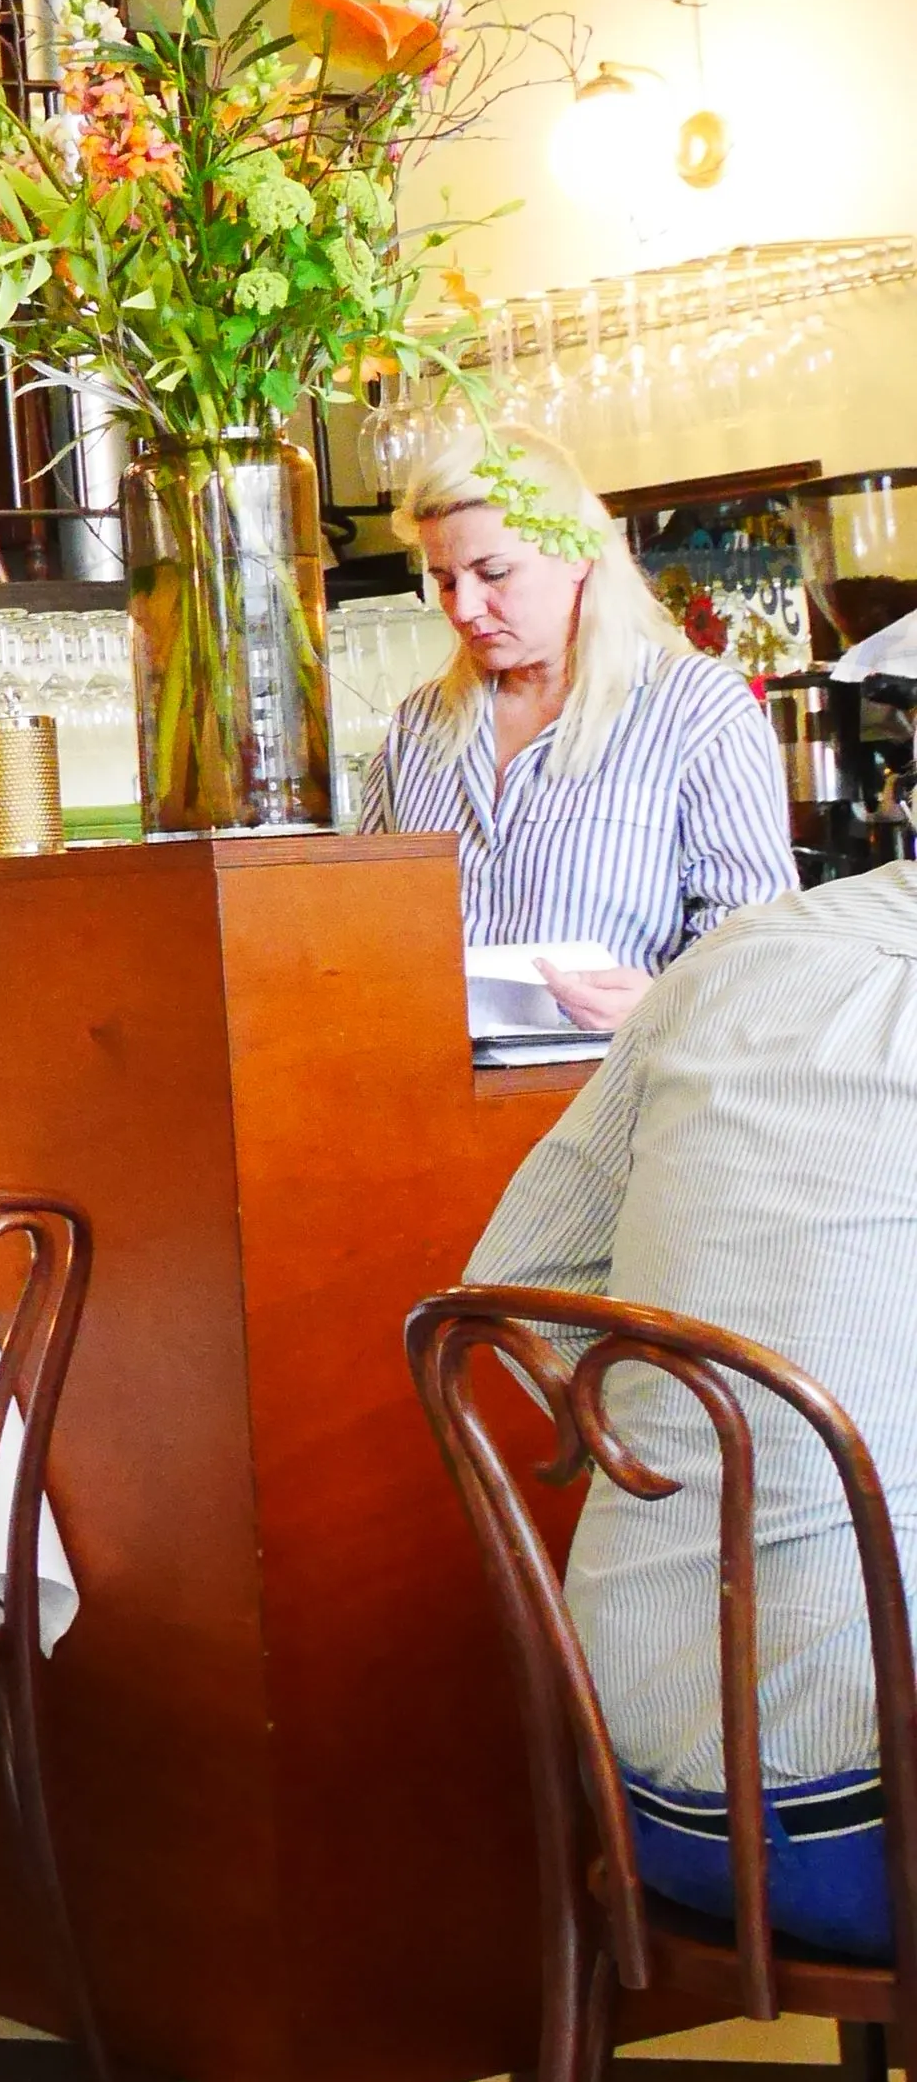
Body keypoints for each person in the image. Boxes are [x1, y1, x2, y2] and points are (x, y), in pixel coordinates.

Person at [464, 857, 917, 1963]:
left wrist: (697, 1442)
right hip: (871, 1823)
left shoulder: (732, 956)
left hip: (639, 1786)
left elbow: (517, 1277)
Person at [362, 429, 794, 1031]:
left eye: (494, 573)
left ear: (577, 554)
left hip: (623, 1101)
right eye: (444, 580)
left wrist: (657, 1006)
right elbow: (364, 932)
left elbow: (764, 955)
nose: (463, 608)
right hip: (436, 1102)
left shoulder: (695, 710)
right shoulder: (419, 728)